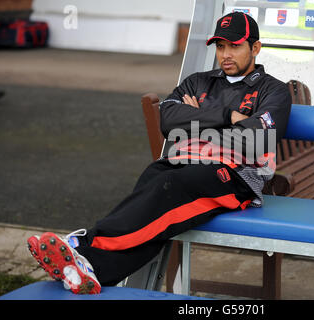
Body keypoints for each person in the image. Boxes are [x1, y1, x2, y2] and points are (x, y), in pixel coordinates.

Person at [26, 11, 292, 294]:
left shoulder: (273, 90)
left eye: (235, 46)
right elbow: (168, 121)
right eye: (220, 46)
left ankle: (85, 245)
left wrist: (198, 117)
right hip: (183, 162)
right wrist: (229, 115)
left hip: (235, 177)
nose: (225, 54)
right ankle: (91, 273)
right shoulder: (198, 81)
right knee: (154, 185)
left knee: (169, 189)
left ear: (255, 48)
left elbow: (257, 138)